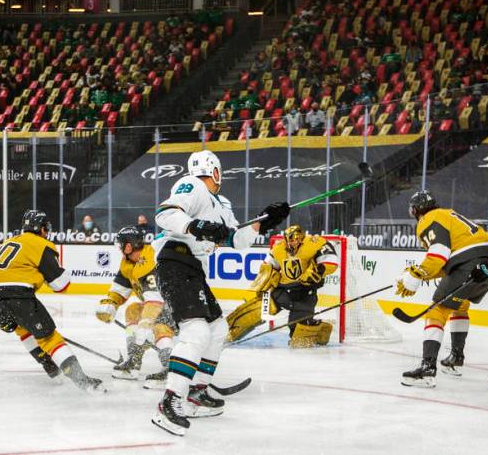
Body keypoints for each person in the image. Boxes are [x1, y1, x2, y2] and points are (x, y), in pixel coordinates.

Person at [150, 149, 288, 436]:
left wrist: (264, 221)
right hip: (175, 260)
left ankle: (195, 393)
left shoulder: (220, 204)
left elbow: (236, 240)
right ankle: (170, 401)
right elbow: (165, 214)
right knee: (197, 331)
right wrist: (195, 225)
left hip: (192, 268)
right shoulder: (193, 185)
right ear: (214, 170)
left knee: (217, 328)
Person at [0, 210, 106, 392]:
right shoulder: (41, 244)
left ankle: (51, 367)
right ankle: (82, 381)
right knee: (49, 337)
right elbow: (60, 285)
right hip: (13, 293)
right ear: (43, 229)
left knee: (23, 328)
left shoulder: (11, 241)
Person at [395, 190, 488, 388]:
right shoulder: (448, 214)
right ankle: (456, 358)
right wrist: (420, 271)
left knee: (437, 310)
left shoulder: (428, 219)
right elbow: (449, 262)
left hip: (469, 262)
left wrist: (418, 274)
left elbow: (439, 253)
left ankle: (427, 369)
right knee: (460, 305)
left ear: (416, 210)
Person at [225, 225, 338, 347]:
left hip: (304, 295)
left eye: (294, 239)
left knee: (300, 341)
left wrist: (318, 271)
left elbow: (331, 261)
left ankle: (317, 327)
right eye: (288, 240)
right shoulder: (279, 248)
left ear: (301, 238)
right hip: (282, 292)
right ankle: (226, 332)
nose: (291, 243)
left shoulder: (314, 242)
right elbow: (267, 268)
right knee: (253, 310)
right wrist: (264, 285)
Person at [96, 226, 176, 389]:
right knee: (132, 309)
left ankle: (171, 369)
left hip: (176, 307)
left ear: (129, 246)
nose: (119, 248)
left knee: (160, 325)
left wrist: (146, 323)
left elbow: (156, 300)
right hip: (154, 305)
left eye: (121, 244)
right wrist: (110, 304)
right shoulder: (128, 263)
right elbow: (120, 290)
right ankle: (134, 361)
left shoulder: (151, 259)